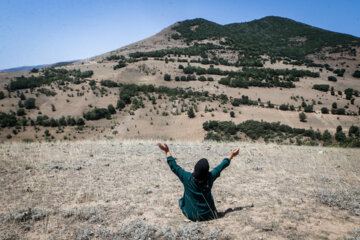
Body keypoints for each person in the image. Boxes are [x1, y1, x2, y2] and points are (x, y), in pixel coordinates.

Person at [157, 142, 239, 221]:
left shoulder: (187, 177)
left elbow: (174, 166)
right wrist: (231, 155)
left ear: (195, 168)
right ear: (207, 171)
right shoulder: (210, 177)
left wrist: (167, 151)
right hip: (209, 215)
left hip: (191, 215)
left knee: (182, 201)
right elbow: (222, 165)